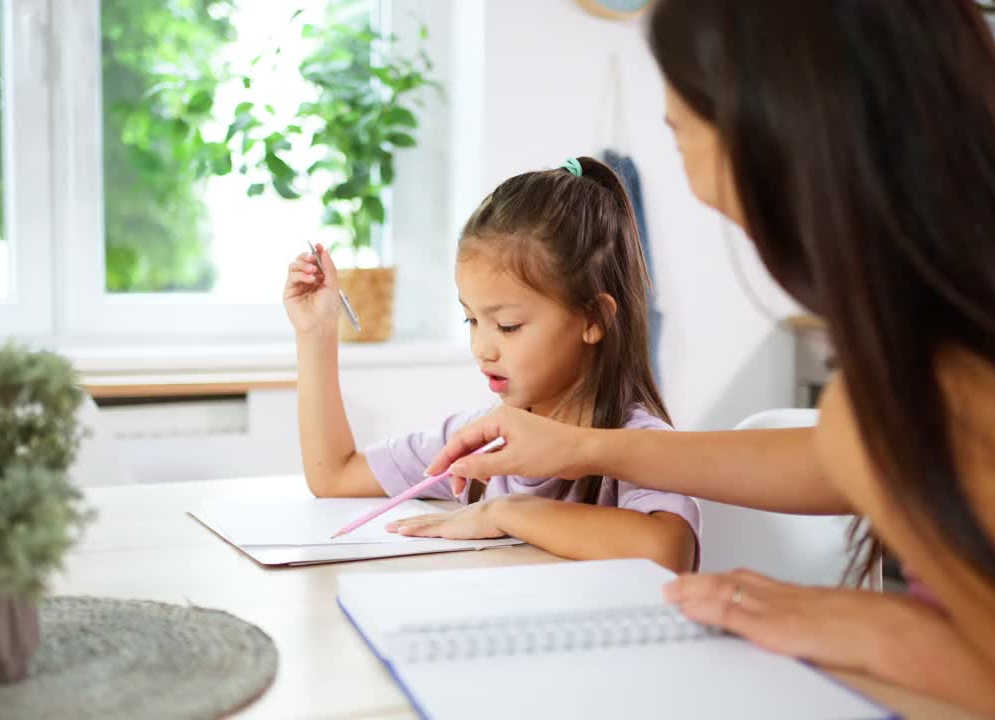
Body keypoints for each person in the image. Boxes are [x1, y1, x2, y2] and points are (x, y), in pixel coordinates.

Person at [423, 2, 995, 717]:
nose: (691, 172)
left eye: (681, 131)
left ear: (781, 139)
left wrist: (888, 631)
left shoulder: (982, 382)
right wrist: (584, 447)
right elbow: (841, 455)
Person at [283, 156, 700, 572]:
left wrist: (505, 512)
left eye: (507, 325)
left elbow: (667, 551)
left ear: (593, 319)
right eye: (471, 320)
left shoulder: (637, 445)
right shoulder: (479, 444)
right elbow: (333, 476)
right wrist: (316, 333)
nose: (482, 347)